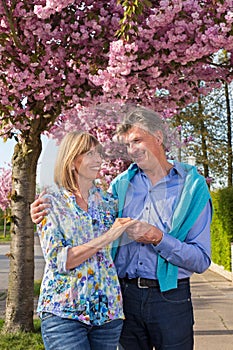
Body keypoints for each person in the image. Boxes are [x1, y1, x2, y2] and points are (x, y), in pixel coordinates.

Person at [31, 106, 212, 350]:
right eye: (128, 145)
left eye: (137, 140)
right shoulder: (119, 187)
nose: (132, 150)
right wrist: (41, 211)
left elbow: (201, 260)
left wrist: (159, 238)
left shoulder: (192, 188)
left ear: (158, 136)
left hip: (170, 298)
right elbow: (80, 229)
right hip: (123, 299)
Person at [34, 131, 135, 350]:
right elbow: (61, 260)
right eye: (90, 154)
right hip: (64, 313)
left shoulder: (108, 203)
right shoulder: (50, 203)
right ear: (72, 162)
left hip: (107, 313)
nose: (99, 160)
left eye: (99, 154)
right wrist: (108, 236)